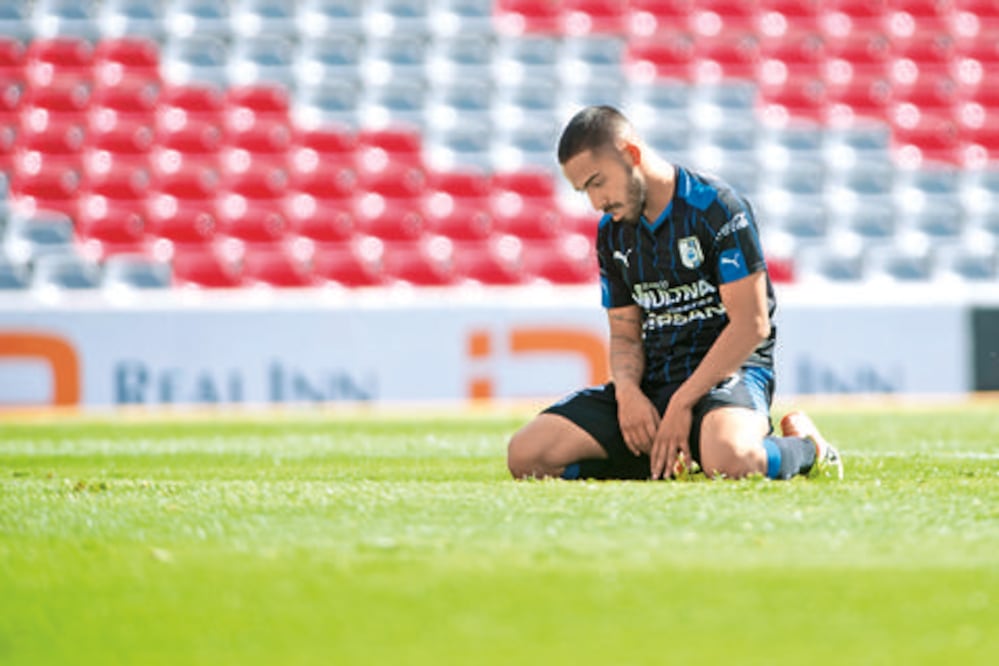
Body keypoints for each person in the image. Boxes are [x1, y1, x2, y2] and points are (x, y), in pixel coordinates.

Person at [507, 105, 843, 482]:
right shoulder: (611, 232)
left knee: (733, 460)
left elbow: (752, 325)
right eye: (584, 190)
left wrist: (684, 402)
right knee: (528, 455)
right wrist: (629, 395)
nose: (595, 202)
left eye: (598, 182)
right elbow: (623, 334)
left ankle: (807, 448)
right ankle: (669, 457)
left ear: (630, 153)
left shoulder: (716, 207)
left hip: (727, 375)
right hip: (655, 381)